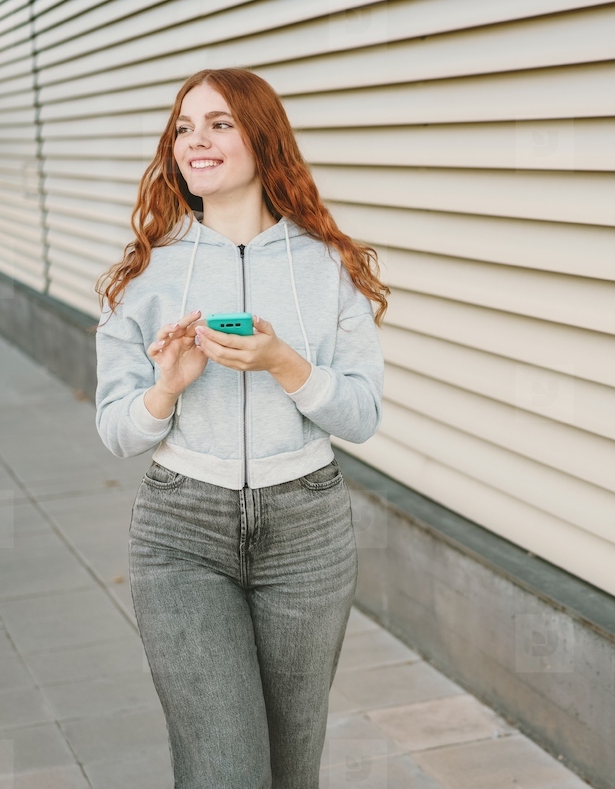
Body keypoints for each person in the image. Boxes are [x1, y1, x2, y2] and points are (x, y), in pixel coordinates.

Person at [92, 68, 387, 788]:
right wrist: (166, 389)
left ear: (263, 138)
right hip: (182, 532)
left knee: (291, 770)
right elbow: (116, 432)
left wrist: (286, 363)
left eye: (220, 123)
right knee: (226, 769)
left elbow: (362, 414)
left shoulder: (328, 266)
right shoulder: (145, 276)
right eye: (185, 127)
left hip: (307, 533)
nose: (198, 140)